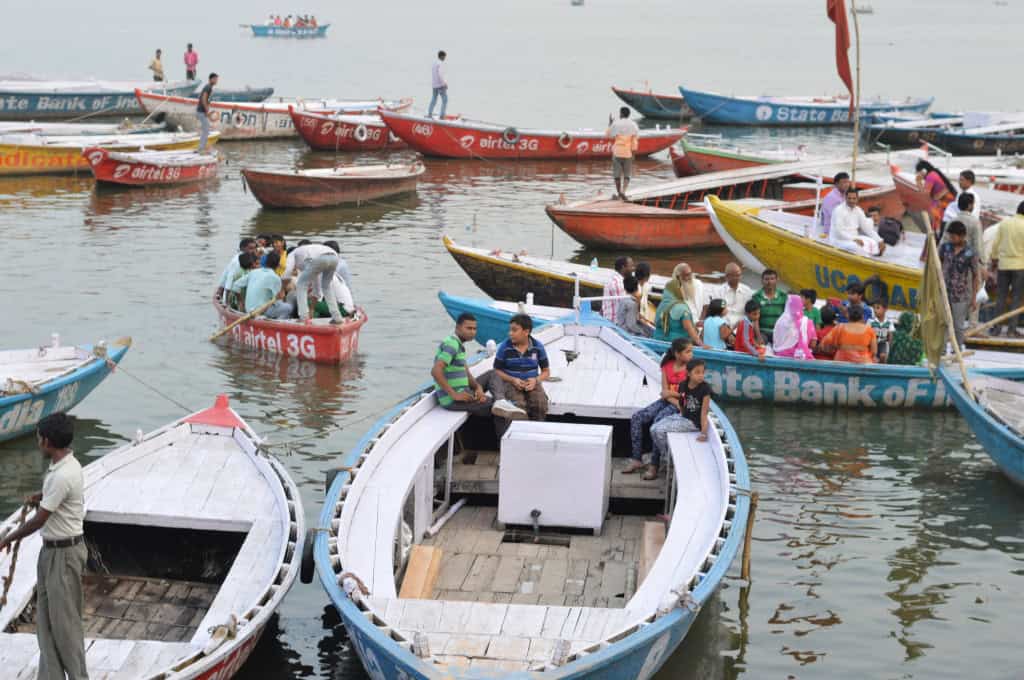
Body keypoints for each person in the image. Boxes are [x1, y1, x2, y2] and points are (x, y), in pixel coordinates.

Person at [0, 413, 88, 680]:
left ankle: (78, 677)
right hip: (52, 553)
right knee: (47, 623)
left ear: (47, 442)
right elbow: (53, 502)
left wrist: (7, 538)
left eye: (39, 437)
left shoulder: (62, 476)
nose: (38, 442)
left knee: (65, 626)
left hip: (64, 555)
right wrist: (43, 496)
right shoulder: (65, 467)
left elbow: (40, 520)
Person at [432, 313, 526, 425]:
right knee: (501, 412)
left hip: (465, 390)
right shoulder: (451, 344)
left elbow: (466, 373)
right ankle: (501, 433)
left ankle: (500, 400)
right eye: (468, 328)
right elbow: (435, 371)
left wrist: (477, 387)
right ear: (457, 327)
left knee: (493, 373)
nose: (472, 332)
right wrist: (454, 395)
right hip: (453, 400)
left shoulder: (459, 345)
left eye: (474, 329)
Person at [624, 339, 693, 479]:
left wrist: (677, 402)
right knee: (637, 417)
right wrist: (673, 398)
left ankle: (654, 465)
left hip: (680, 404)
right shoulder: (667, 366)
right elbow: (664, 392)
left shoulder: (691, 369)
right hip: (668, 401)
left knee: (657, 423)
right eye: (688, 351)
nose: (691, 354)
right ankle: (637, 459)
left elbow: (688, 396)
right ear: (677, 354)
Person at [647, 359, 714, 479]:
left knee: (658, 430)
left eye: (703, 372)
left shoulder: (705, 389)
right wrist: (670, 394)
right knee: (653, 428)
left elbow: (704, 413)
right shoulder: (683, 384)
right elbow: (682, 400)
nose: (701, 376)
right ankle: (666, 457)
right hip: (683, 416)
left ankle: (668, 462)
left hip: (693, 422)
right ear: (688, 373)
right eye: (697, 372)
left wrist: (703, 433)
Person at [493, 314, 550, 421]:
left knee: (540, 405)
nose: (510, 333)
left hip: (532, 384)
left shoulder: (538, 347)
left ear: (526, 332)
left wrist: (535, 380)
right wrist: (513, 380)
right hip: (511, 384)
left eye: (514, 330)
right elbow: (497, 370)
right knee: (518, 407)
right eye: (510, 330)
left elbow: (546, 372)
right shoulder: (504, 348)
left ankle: (535, 431)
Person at [281, 242, 346, 324]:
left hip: (319, 258)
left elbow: (286, 274)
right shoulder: (306, 258)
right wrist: (312, 309)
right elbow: (317, 289)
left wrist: (282, 289)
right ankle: (337, 318)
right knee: (326, 287)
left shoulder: (291, 254)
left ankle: (303, 317)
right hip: (334, 257)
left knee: (301, 285)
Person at [940, 221, 981, 349]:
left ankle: (956, 351)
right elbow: (937, 265)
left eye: (954, 237)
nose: (951, 239)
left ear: (962, 236)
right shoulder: (945, 248)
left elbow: (975, 276)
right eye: (950, 236)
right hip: (944, 292)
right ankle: (940, 351)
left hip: (960, 295)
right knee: (943, 323)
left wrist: (974, 298)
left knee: (958, 325)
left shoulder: (971, 253)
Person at [989, 201, 1024, 336]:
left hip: (1003, 265)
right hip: (1020, 266)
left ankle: (996, 328)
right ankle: (1011, 330)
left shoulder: (1005, 223)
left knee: (1001, 297)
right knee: (1016, 298)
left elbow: (996, 243)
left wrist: (994, 259)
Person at [230, 251, 293, 319]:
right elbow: (277, 301)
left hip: (249, 309)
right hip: (260, 311)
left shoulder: (253, 272)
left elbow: (235, 286)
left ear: (265, 262)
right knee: (288, 308)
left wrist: (241, 302)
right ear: (278, 265)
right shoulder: (275, 277)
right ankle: (277, 323)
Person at [829, 188, 886, 256]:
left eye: (854, 198)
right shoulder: (839, 210)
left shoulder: (858, 210)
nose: (851, 200)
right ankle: (866, 263)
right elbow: (839, 232)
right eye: (849, 198)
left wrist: (879, 240)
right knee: (857, 247)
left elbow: (867, 228)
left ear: (857, 199)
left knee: (874, 243)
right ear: (845, 198)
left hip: (854, 238)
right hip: (839, 240)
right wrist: (854, 239)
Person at [653, 275, 704, 345]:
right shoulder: (682, 308)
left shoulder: (661, 305)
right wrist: (702, 345)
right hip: (676, 345)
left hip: (657, 340)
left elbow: (656, 322)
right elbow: (689, 329)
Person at [941, 192, 983, 272]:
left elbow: (943, 242)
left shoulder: (951, 221)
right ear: (970, 205)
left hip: (949, 262)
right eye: (973, 204)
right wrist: (982, 263)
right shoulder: (975, 223)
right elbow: (978, 245)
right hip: (966, 264)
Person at [606, 107, 640, 200]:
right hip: (628, 153)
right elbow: (634, 141)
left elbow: (608, 134)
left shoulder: (616, 123)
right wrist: (633, 152)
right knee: (627, 175)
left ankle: (618, 193)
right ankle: (623, 191)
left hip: (617, 152)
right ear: (628, 114)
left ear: (621, 114)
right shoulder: (633, 125)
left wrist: (610, 123)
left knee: (617, 175)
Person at [915, 159, 957, 233]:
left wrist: (918, 181)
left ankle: (937, 233)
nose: (917, 174)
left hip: (945, 202)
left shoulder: (931, 176)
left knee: (933, 213)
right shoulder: (933, 173)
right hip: (943, 201)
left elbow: (925, 195)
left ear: (923, 170)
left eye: (918, 171)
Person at [772, 294, 817, 359]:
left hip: (781, 356)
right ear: (801, 305)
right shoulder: (808, 322)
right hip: (802, 357)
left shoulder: (781, 321)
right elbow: (813, 344)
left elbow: (776, 340)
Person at [215, 238, 258, 303]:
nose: (254, 251)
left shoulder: (249, 258)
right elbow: (229, 282)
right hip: (233, 294)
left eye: (255, 248)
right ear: (243, 249)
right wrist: (226, 302)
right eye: (251, 248)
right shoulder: (237, 262)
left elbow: (225, 273)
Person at [710, 262, 753, 326]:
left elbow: (749, 311)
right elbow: (716, 312)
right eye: (736, 275)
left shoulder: (747, 290)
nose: (739, 278)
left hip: (742, 325)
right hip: (724, 325)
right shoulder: (718, 291)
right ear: (727, 276)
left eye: (739, 275)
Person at [752, 269, 787, 343]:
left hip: (779, 333)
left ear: (777, 280)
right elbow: (755, 319)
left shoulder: (784, 297)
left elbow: (787, 318)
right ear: (762, 281)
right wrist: (758, 337)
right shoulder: (756, 297)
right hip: (762, 332)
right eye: (766, 279)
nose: (769, 282)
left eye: (772, 279)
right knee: (758, 347)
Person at [602, 256, 634, 323]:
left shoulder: (615, 278)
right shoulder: (618, 284)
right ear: (623, 267)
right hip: (614, 321)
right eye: (631, 266)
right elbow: (624, 307)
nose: (633, 268)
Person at [196, 72, 218, 153]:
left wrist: (207, 110)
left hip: (202, 111)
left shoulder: (209, 88)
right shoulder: (208, 87)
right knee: (206, 130)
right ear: (211, 79)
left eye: (217, 79)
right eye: (215, 79)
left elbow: (205, 100)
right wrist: (206, 111)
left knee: (206, 130)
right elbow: (203, 98)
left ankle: (201, 148)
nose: (216, 81)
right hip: (201, 112)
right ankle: (201, 149)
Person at [870, 297, 895, 362]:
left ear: (885, 309)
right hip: (872, 343)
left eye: (878, 308)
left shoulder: (889, 322)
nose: (875, 310)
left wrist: (890, 349)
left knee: (883, 356)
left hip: (882, 343)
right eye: (874, 308)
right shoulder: (870, 321)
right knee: (873, 358)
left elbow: (890, 337)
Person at [428, 50, 448, 119]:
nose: (445, 58)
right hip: (440, 85)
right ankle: (442, 116)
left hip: (434, 85)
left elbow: (435, 74)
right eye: (444, 57)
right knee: (445, 100)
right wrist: (444, 84)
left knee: (434, 99)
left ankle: (429, 114)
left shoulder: (434, 64)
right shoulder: (441, 64)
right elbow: (440, 74)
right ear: (442, 56)